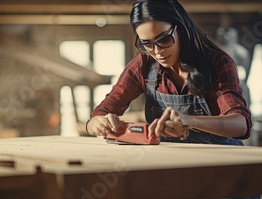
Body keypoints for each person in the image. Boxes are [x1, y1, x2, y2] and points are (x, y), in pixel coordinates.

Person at [86, 0, 252, 146]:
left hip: (220, 163)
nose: (157, 52)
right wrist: (97, 123)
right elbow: (99, 114)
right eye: (147, 44)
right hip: (169, 163)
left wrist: (189, 121)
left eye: (164, 39)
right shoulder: (143, 66)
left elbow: (241, 124)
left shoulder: (217, 63)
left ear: (181, 29)